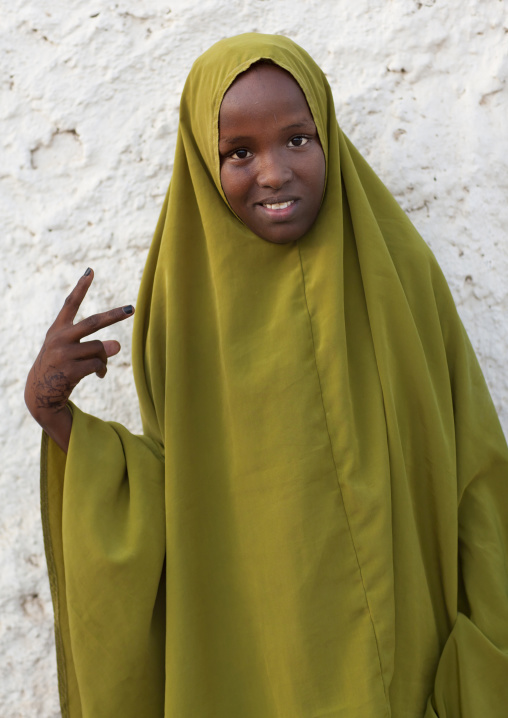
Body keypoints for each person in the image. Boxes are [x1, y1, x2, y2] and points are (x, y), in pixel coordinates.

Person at [25, 33, 508, 718]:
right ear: (201, 159)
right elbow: (177, 494)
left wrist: (484, 653)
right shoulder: (184, 307)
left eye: (297, 140)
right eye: (239, 152)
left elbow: (474, 467)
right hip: (253, 661)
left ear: (328, 139)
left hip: (408, 664)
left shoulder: (397, 274)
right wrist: (57, 415)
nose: (275, 172)